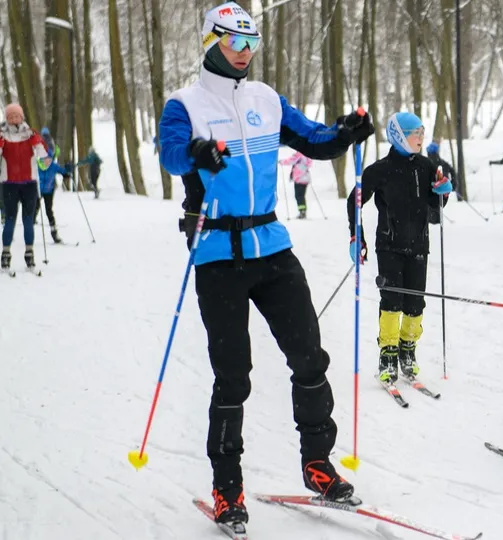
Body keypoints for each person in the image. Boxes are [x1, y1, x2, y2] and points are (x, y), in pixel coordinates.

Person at [157, 2, 374, 530]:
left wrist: (345, 132)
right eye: (236, 42)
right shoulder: (184, 104)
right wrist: (198, 153)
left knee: (309, 357)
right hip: (218, 256)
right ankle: (227, 488)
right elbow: (171, 155)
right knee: (233, 376)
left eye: (252, 42)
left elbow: (314, 139)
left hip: (272, 248)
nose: (245, 52)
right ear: (211, 42)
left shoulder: (267, 99)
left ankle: (318, 465)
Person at [346, 112, 451, 384]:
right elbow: (354, 201)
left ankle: (408, 350)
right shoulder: (379, 170)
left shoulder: (427, 166)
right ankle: (388, 354)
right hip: (389, 247)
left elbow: (435, 210)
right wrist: (356, 236)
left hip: (419, 247)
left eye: (422, 132)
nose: (421, 138)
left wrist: (443, 193)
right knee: (391, 301)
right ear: (399, 136)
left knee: (415, 304)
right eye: (415, 133)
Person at [0, 103, 48, 271]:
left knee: (28, 220)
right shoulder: (2, 135)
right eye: (10, 116)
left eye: (16, 116)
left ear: (22, 117)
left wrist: (38, 143)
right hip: (9, 184)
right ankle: (5, 254)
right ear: (7, 119)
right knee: (10, 220)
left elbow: (44, 155)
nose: (14, 119)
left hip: (29, 183)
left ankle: (29, 253)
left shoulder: (30, 134)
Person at [36, 156, 70, 243]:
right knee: (34, 209)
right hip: (37, 191)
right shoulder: (36, 165)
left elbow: (63, 171)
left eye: (50, 159)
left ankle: (54, 233)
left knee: (49, 211)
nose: (48, 162)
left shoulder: (53, 166)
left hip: (49, 191)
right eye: (46, 159)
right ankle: (29, 231)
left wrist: (67, 171)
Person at [280, 151, 312, 219]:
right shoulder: (307, 155)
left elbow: (291, 160)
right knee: (301, 196)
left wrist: (281, 162)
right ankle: (303, 211)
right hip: (305, 178)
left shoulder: (299, 155)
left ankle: (302, 212)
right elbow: (309, 164)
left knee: (298, 196)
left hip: (299, 178)